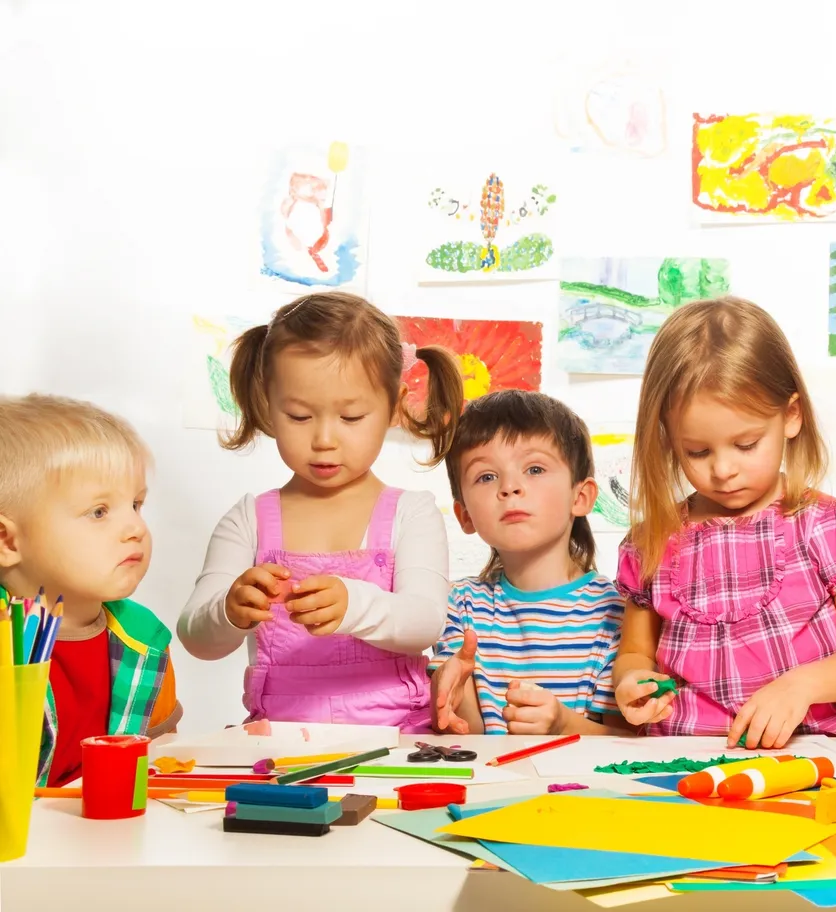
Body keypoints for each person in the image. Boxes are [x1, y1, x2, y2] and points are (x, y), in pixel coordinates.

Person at [610, 297, 836, 749]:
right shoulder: (652, 542)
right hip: (687, 753)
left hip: (818, 749)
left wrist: (801, 686)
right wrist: (631, 683)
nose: (723, 469)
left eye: (746, 444)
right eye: (697, 451)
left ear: (791, 417)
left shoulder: (826, 524)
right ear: (667, 439)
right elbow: (634, 652)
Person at [180, 292, 462, 731]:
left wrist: (354, 605)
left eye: (351, 417)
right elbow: (196, 637)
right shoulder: (248, 521)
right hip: (280, 743)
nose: (325, 439)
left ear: (394, 406)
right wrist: (228, 611)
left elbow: (425, 622)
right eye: (298, 416)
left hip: (399, 740)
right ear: (268, 405)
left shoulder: (412, 513)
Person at [0, 394, 180, 785]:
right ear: (7, 541)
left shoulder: (145, 639)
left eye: (136, 504)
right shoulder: (4, 645)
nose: (136, 528)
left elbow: (160, 766)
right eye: (99, 512)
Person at [430, 391, 627, 736]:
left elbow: (629, 743)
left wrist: (563, 724)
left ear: (580, 497)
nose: (509, 487)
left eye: (534, 469)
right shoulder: (457, 605)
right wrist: (449, 693)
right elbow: (467, 737)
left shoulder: (615, 613)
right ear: (464, 515)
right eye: (486, 477)